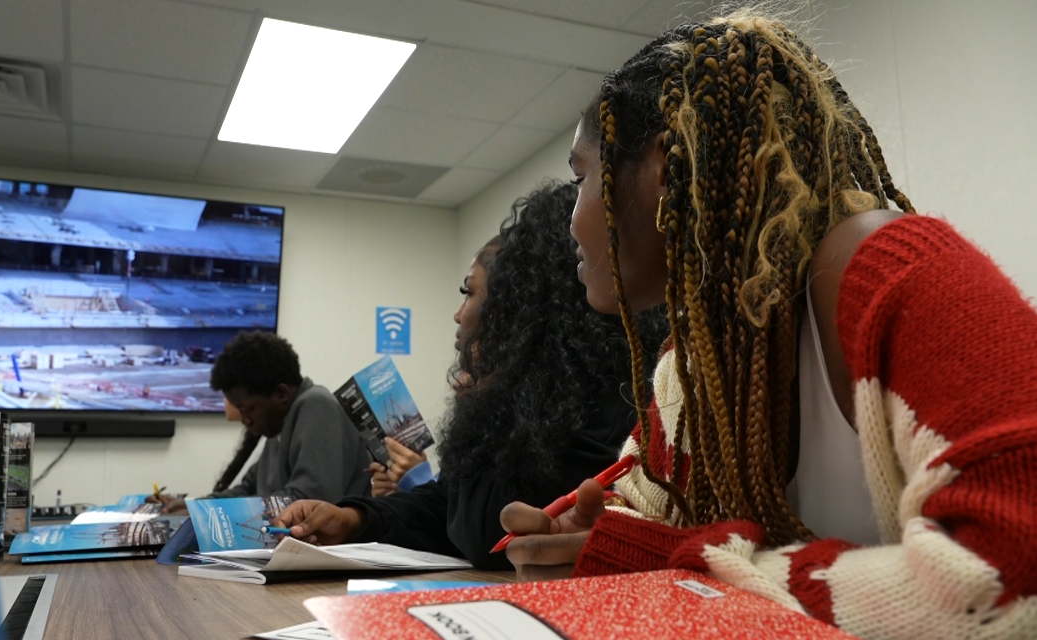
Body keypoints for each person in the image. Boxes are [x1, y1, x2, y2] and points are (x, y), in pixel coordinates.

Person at [498, 9, 1037, 640]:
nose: (571, 218)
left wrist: (687, 572)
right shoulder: (692, 366)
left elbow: (1010, 580)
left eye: (580, 175)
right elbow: (642, 512)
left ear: (667, 171)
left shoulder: (896, 273)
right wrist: (586, 538)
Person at [275, 182, 666, 569]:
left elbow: (483, 532)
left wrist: (485, 395)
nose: (459, 315)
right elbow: (445, 503)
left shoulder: (616, 404)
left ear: (520, 309)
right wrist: (354, 519)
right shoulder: (539, 401)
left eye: (469, 292)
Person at [153, 331, 371, 513]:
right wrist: (196, 507)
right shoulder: (281, 424)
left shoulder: (316, 406)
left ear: (281, 394)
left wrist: (211, 513)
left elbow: (307, 503)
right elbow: (248, 489)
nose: (245, 420)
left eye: (247, 409)